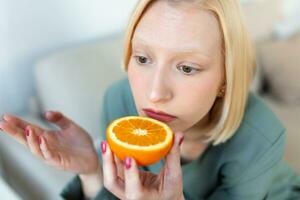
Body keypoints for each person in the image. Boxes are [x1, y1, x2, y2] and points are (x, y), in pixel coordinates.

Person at [1, 0, 300, 199]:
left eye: (186, 68)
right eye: (143, 58)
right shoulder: (118, 101)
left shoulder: (260, 136)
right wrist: (91, 170)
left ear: (226, 77)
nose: (155, 94)